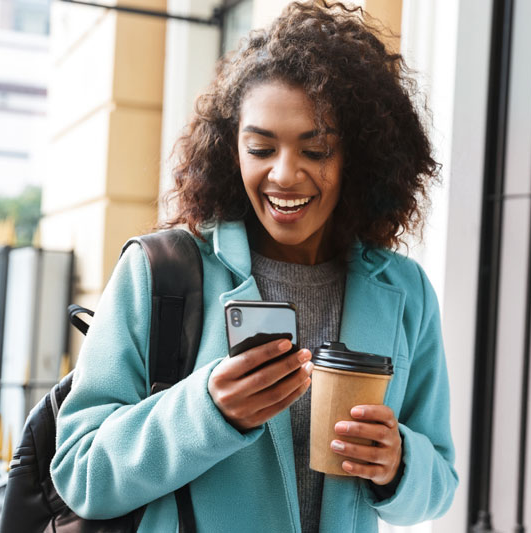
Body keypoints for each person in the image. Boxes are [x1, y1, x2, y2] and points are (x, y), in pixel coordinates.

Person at [50, 2, 457, 531]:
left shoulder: (406, 291)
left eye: (316, 151)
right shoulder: (160, 273)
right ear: (230, 150)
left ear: (358, 155)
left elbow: (441, 483)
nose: (284, 175)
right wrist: (210, 411)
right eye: (260, 148)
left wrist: (398, 464)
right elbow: (82, 473)